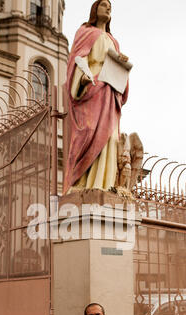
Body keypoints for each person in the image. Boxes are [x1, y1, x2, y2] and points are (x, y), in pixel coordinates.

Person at [63, 0, 129, 194]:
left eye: (110, 7)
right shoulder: (85, 32)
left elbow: (117, 69)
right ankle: (84, 182)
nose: (108, 8)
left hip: (110, 93)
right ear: (95, 9)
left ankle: (104, 185)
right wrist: (81, 80)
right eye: (104, 5)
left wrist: (121, 63)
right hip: (92, 89)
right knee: (89, 132)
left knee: (110, 138)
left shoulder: (113, 40)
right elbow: (77, 60)